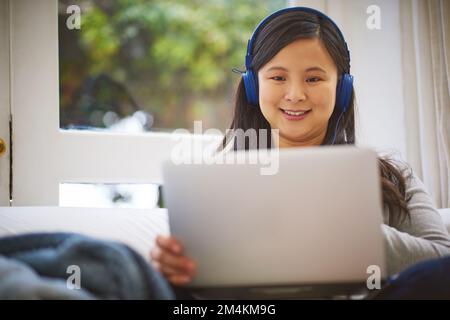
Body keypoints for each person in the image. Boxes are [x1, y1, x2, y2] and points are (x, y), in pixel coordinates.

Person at [150, 7, 450, 298]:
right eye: (278, 78)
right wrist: (171, 268)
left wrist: (354, 235)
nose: (295, 94)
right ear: (253, 86)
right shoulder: (217, 183)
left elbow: (441, 263)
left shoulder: (392, 177)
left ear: (341, 89)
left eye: (314, 78)